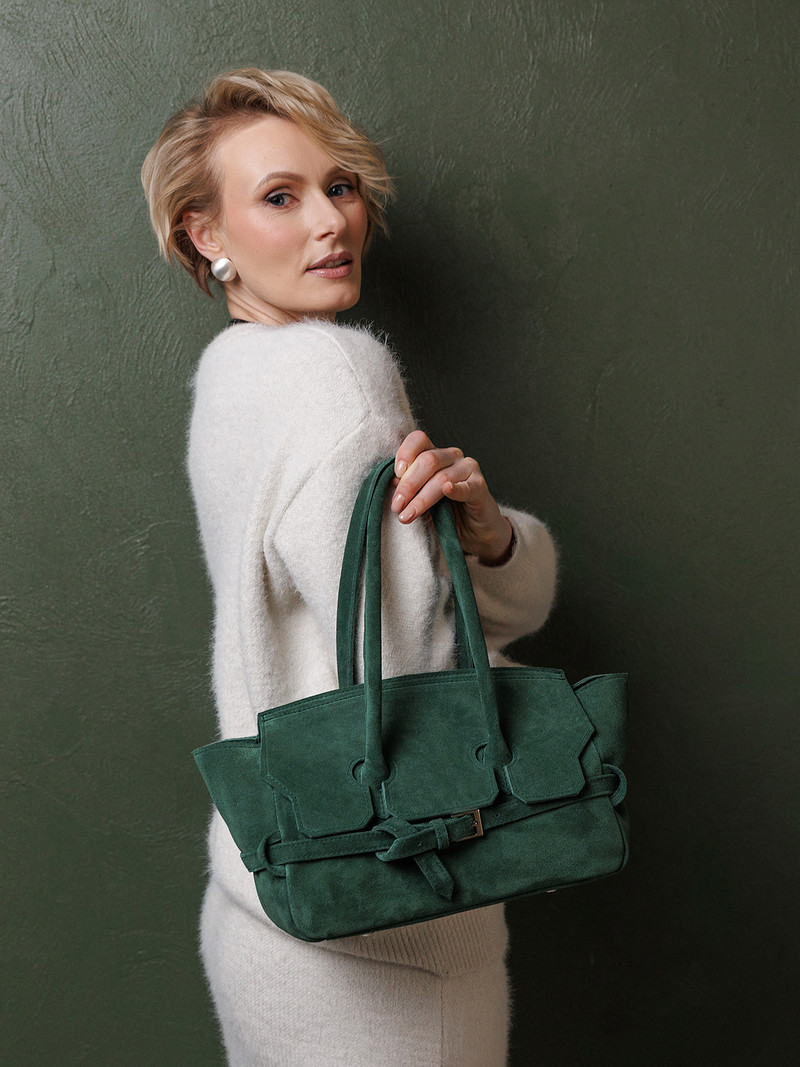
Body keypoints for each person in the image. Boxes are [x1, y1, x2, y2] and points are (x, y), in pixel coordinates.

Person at [141, 68, 557, 1066]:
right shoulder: (334, 372)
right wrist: (497, 581)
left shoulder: (228, 378)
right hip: (393, 942)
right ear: (206, 232)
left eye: (340, 187)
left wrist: (483, 537)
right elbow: (414, 664)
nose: (330, 220)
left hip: (269, 897)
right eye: (280, 197)